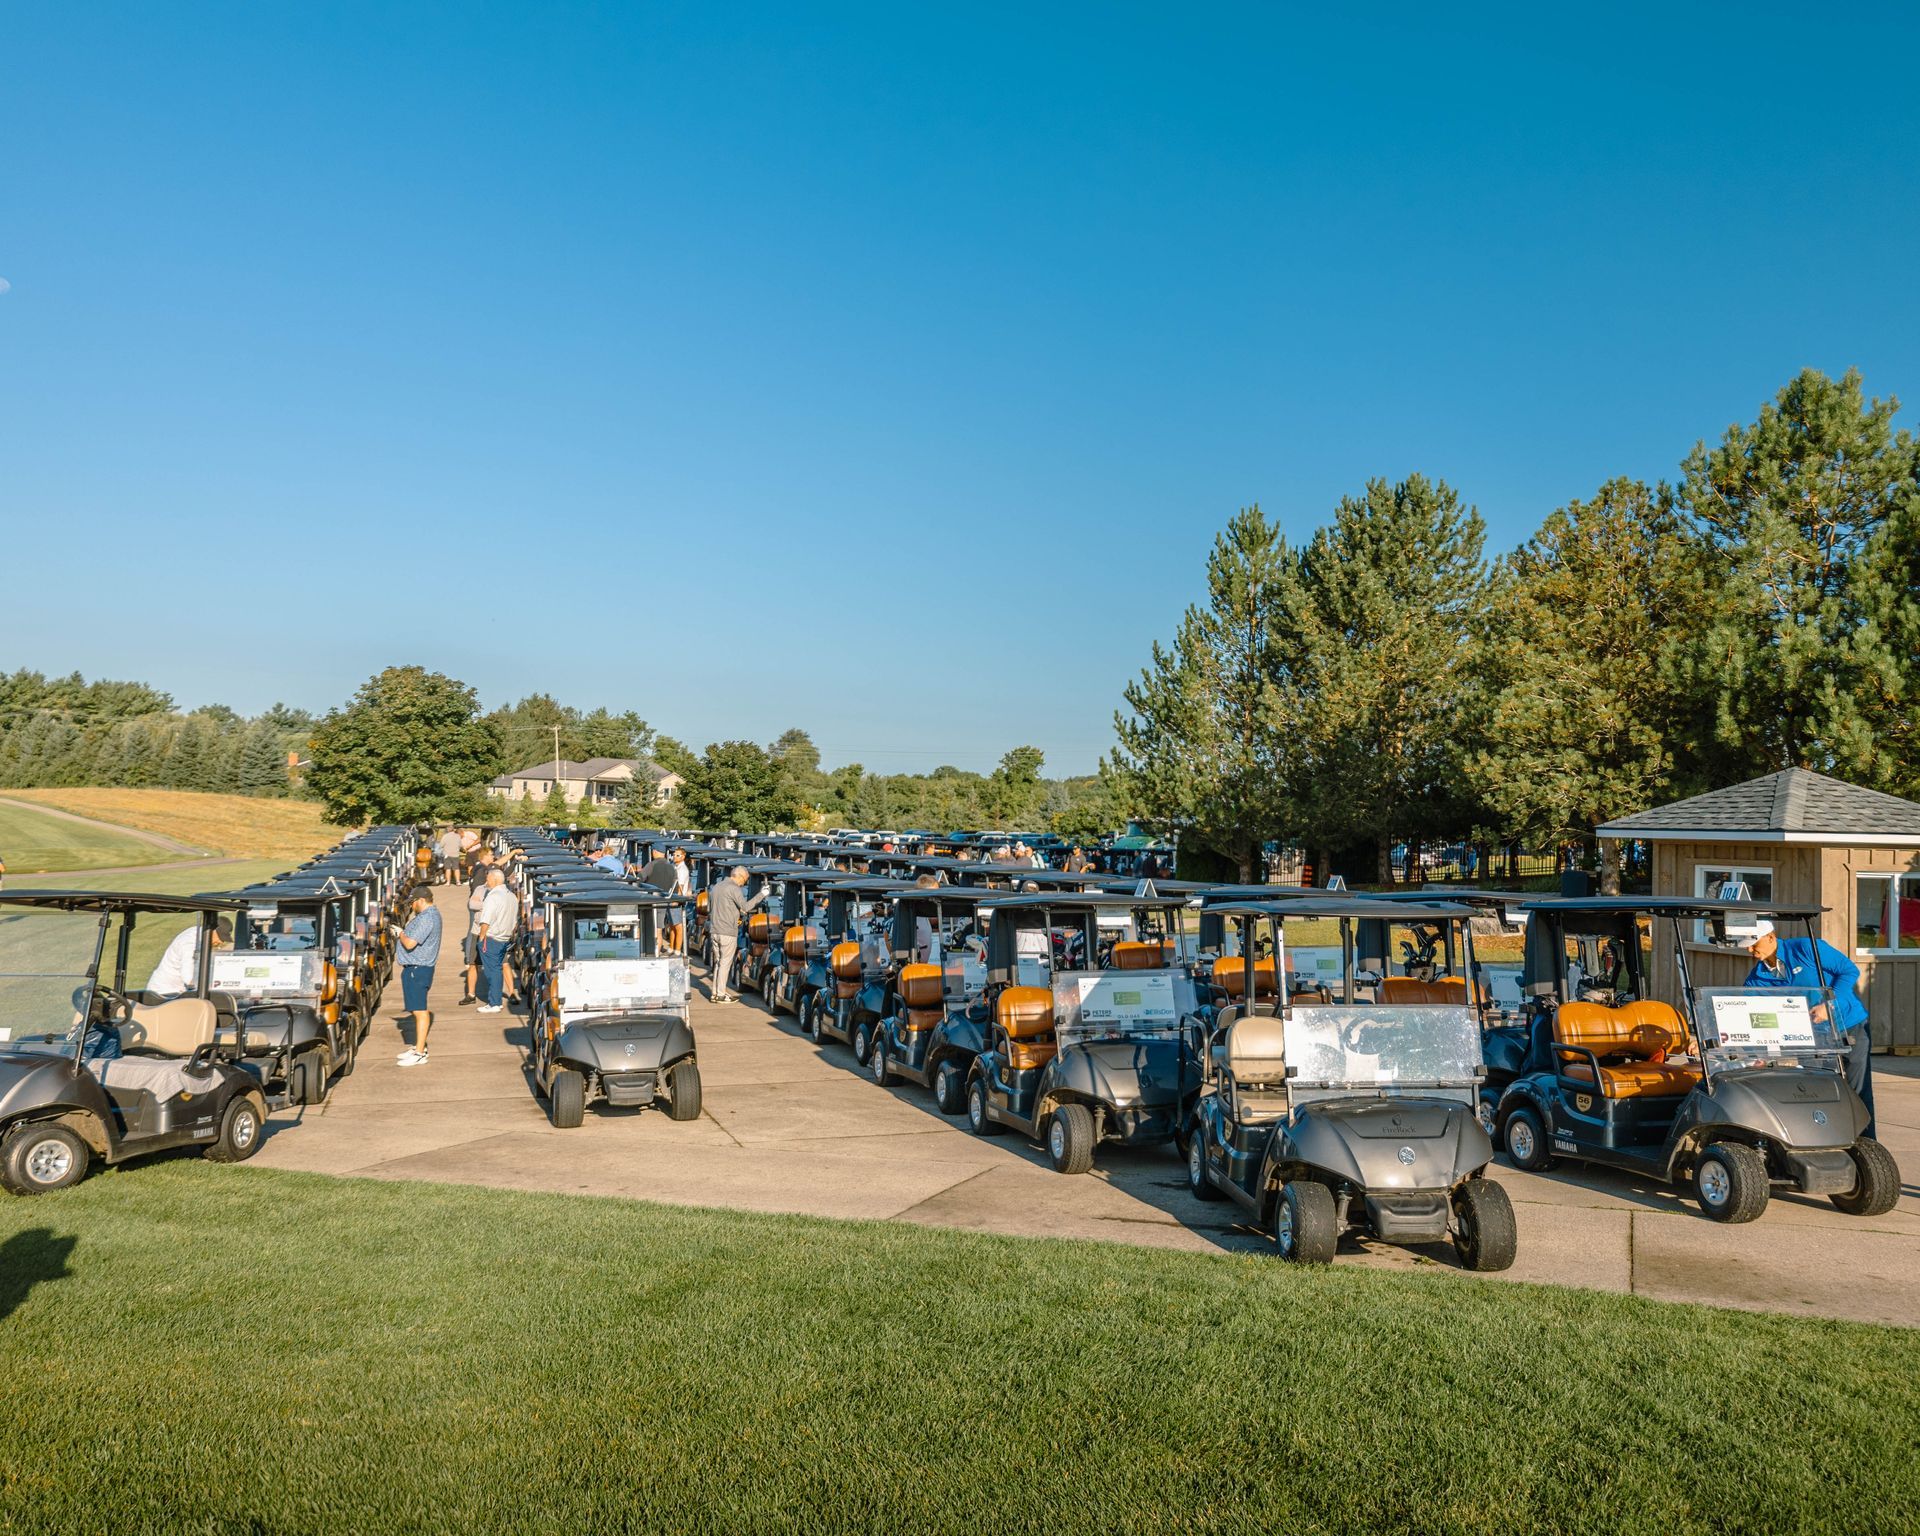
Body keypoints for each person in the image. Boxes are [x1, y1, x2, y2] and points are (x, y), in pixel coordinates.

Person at [1744, 919, 1874, 1135]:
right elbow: (1748, 1013)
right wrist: (1757, 1052)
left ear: (1770, 937)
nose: (1749, 950)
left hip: (1849, 1025)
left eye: (1753, 944)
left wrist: (1830, 1004)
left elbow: (1849, 970)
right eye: (1746, 945)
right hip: (1810, 1037)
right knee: (1818, 1093)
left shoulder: (1805, 948)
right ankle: (1828, 1143)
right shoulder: (1756, 979)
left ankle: (1867, 1146)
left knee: (1857, 1092)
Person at [392, 888, 442, 1067]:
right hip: (416, 968)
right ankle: (418, 1047)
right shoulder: (427, 916)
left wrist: (400, 933)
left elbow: (410, 943)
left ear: (421, 900)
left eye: (412, 903)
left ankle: (420, 1053)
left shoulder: (427, 918)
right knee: (415, 1009)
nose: (411, 906)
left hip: (418, 969)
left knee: (419, 1010)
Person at [705, 865, 766, 1003]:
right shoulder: (734, 888)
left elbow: (711, 908)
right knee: (725, 963)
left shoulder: (716, 887)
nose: (744, 883)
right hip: (727, 932)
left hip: (714, 930)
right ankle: (721, 994)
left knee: (718, 962)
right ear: (739, 876)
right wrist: (762, 894)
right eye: (744, 880)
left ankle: (715, 993)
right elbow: (746, 907)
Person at [145, 916, 233, 996]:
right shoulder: (189, 944)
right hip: (164, 993)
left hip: (177, 991)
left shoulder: (199, 933)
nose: (221, 942)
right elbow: (189, 979)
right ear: (212, 930)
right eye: (220, 937)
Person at [473, 868, 518, 1015]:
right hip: (505, 938)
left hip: (492, 938)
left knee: (492, 972)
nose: (486, 882)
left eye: (488, 879)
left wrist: (481, 938)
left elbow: (486, 919)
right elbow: (514, 920)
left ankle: (494, 1003)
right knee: (497, 969)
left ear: (495, 880)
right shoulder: (511, 896)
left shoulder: (493, 897)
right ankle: (496, 1001)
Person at [461, 847, 500, 1004]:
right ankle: (471, 994)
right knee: (473, 963)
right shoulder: (480, 883)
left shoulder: (501, 892)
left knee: (496, 966)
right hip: (479, 929)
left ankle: (497, 997)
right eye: (487, 875)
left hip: (494, 932)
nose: (487, 877)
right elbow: (472, 903)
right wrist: (488, 905)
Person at [667, 848, 693, 955]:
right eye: (674, 855)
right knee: (672, 925)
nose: (674, 857)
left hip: (677, 900)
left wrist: (676, 900)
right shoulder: (675, 866)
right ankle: (671, 947)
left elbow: (680, 886)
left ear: (683, 857)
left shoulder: (682, 869)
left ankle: (678, 949)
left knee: (678, 925)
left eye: (677, 855)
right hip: (671, 898)